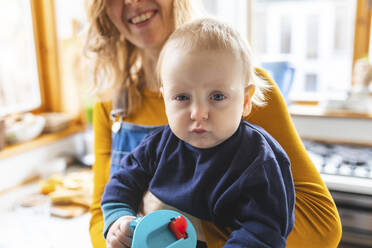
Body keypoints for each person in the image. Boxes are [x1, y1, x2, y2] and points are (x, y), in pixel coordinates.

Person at [85, 0, 342, 247]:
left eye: (217, 97)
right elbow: (102, 211)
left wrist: (184, 232)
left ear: (245, 100)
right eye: (181, 97)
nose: (199, 113)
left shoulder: (243, 86)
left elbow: (321, 227)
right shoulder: (112, 105)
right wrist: (120, 230)